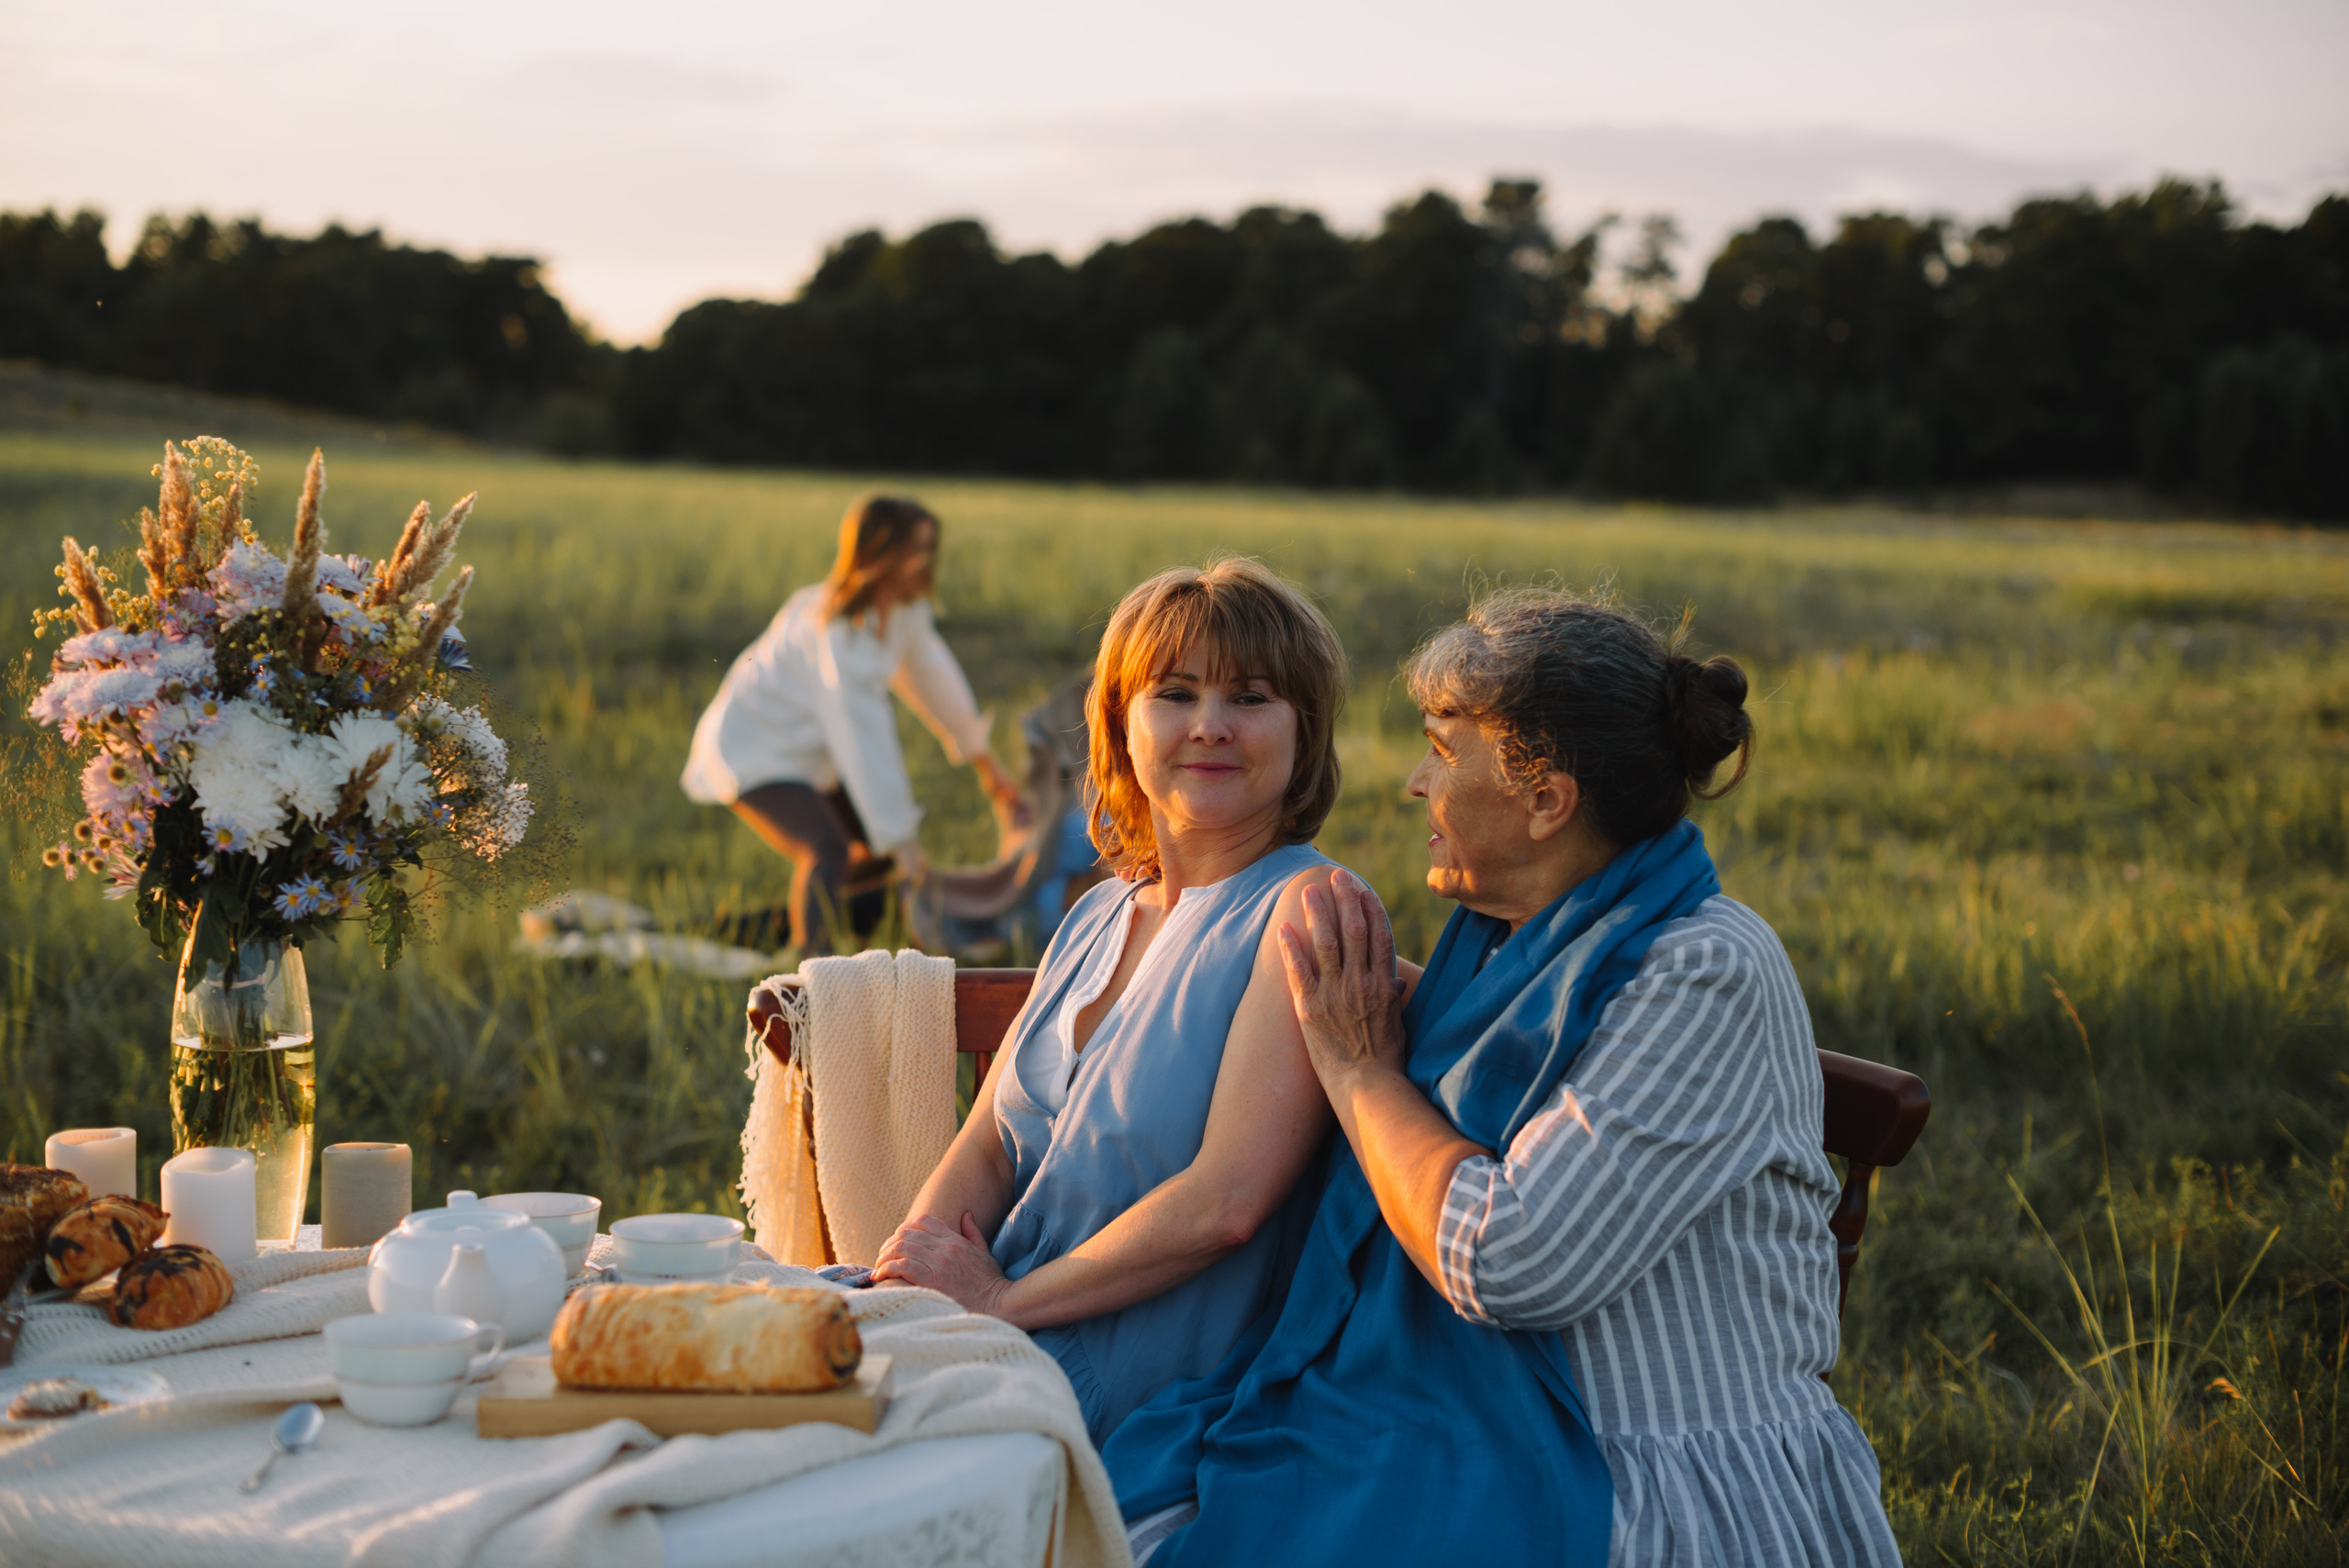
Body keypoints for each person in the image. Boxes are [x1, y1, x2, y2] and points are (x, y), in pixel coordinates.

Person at [1105, 587, 1900, 1568]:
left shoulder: (1706, 969)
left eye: (1443, 753)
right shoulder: (1500, 940)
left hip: (1645, 1474)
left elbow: (1508, 1256)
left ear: (1544, 801)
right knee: (1134, 1503)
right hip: (1457, 1415)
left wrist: (1359, 1073)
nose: (1412, 782)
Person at [870, 558, 1350, 1443]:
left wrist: (999, 1300)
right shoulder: (1102, 910)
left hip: (1133, 1388)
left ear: (1302, 732)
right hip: (991, 1340)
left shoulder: (1302, 909)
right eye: (1174, 693)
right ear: (1121, 726)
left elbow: (1227, 1203)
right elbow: (988, 1137)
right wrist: (911, 1277)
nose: (1210, 726)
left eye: (1251, 698)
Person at [681, 494, 1020, 954]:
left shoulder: (903, 614)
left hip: (806, 753)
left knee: (871, 854)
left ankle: (816, 926)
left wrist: (986, 764)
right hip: (750, 747)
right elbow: (863, 740)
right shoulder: (837, 630)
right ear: (882, 557)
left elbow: (936, 681)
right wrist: (903, 842)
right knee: (826, 847)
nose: (929, 562)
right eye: (917, 551)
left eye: (931, 549)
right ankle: (809, 966)